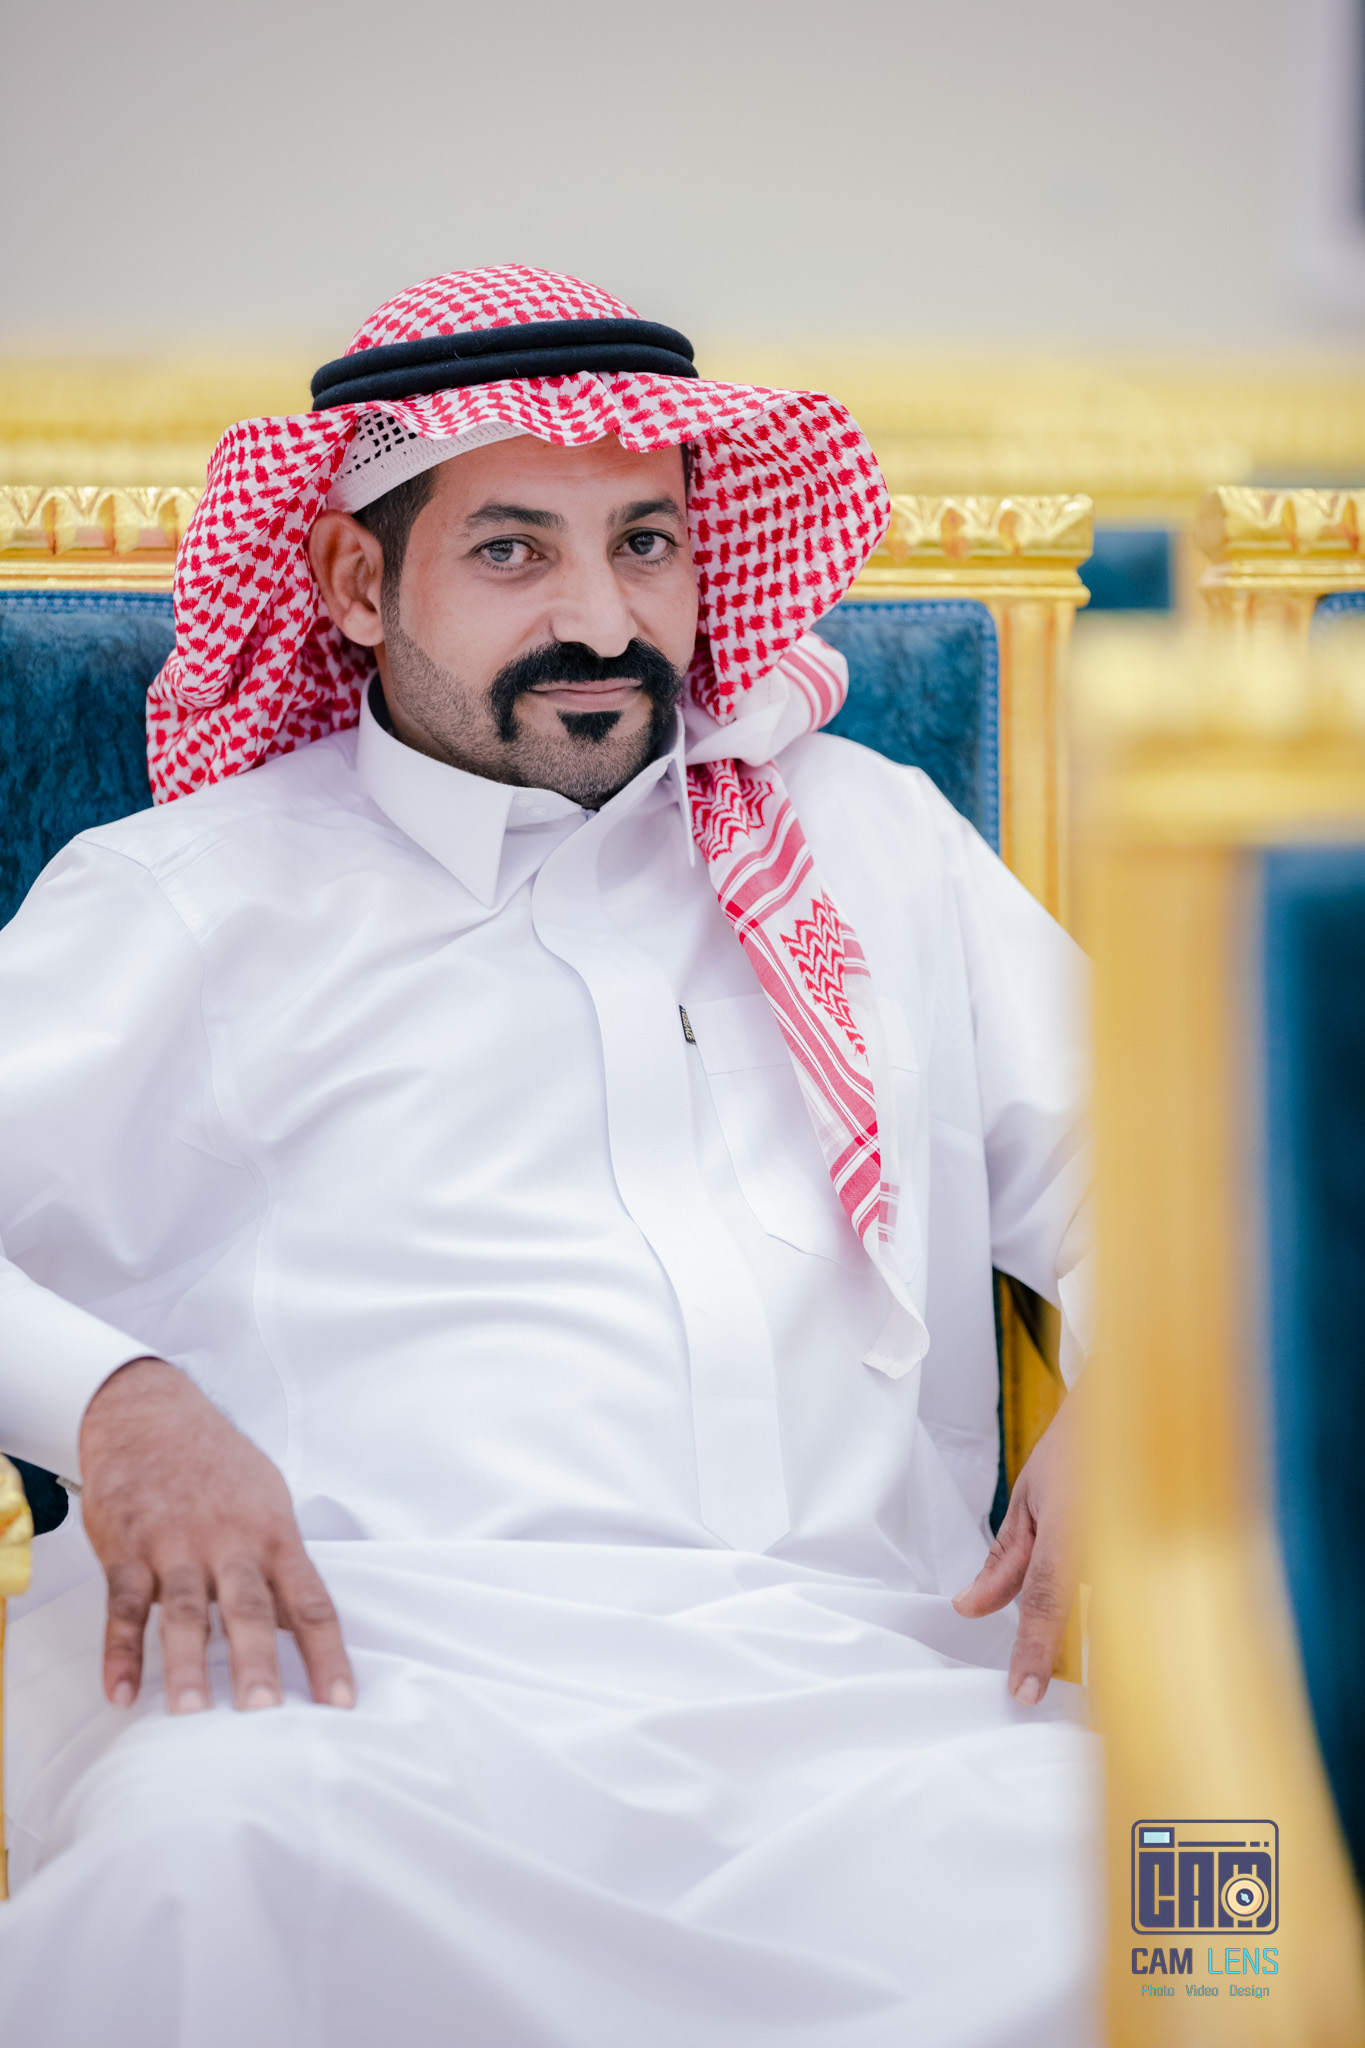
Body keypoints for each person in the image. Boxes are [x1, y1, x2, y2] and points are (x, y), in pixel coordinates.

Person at [0, 267, 1097, 2046]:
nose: (603, 618)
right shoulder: (193, 898)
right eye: (512, 550)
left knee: (1215, 1885)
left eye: (646, 543)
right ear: (356, 583)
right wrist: (114, 1407)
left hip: (869, 1708)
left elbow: (1178, 1176)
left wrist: (1136, 1397)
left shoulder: (867, 842)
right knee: (207, 1867)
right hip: (358, 1704)